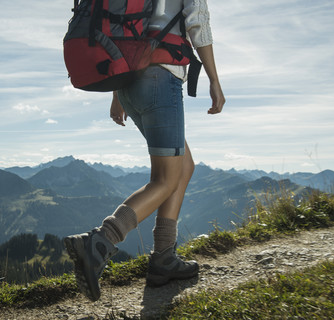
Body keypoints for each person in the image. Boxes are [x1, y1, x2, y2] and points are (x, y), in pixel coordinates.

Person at [63, 0, 225, 302]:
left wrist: (117, 93)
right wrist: (215, 80)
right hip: (161, 77)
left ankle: (163, 258)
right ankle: (100, 241)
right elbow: (198, 22)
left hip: (129, 80)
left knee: (183, 167)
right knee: (165, 179)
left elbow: (124, 27)